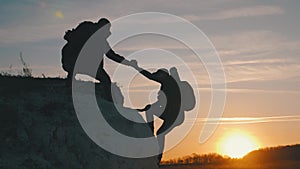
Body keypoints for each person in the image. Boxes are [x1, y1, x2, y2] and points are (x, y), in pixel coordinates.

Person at [131, 62, 182, 163]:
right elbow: (161, 102)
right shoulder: (166, 85)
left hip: (174, 115)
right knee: (150, 112)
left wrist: (136, 67)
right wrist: (147, 107)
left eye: (158, 75)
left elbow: (150, 76)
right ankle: (150, 132)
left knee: (160, 133)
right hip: (169, 112)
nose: (156, 77)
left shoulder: (169, 82)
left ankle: (158, 157)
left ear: (163, 75)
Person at [61, 18, 135, 87]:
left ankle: (108, 99)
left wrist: (128, 63)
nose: (108, 32)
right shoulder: (89, 32)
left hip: (78, 64)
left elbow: (112, 55)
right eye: (107, 29)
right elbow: (112, 55)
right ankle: (71, 78)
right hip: (71, 62)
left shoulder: (100, 40)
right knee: (105, 80)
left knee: (106, 80)